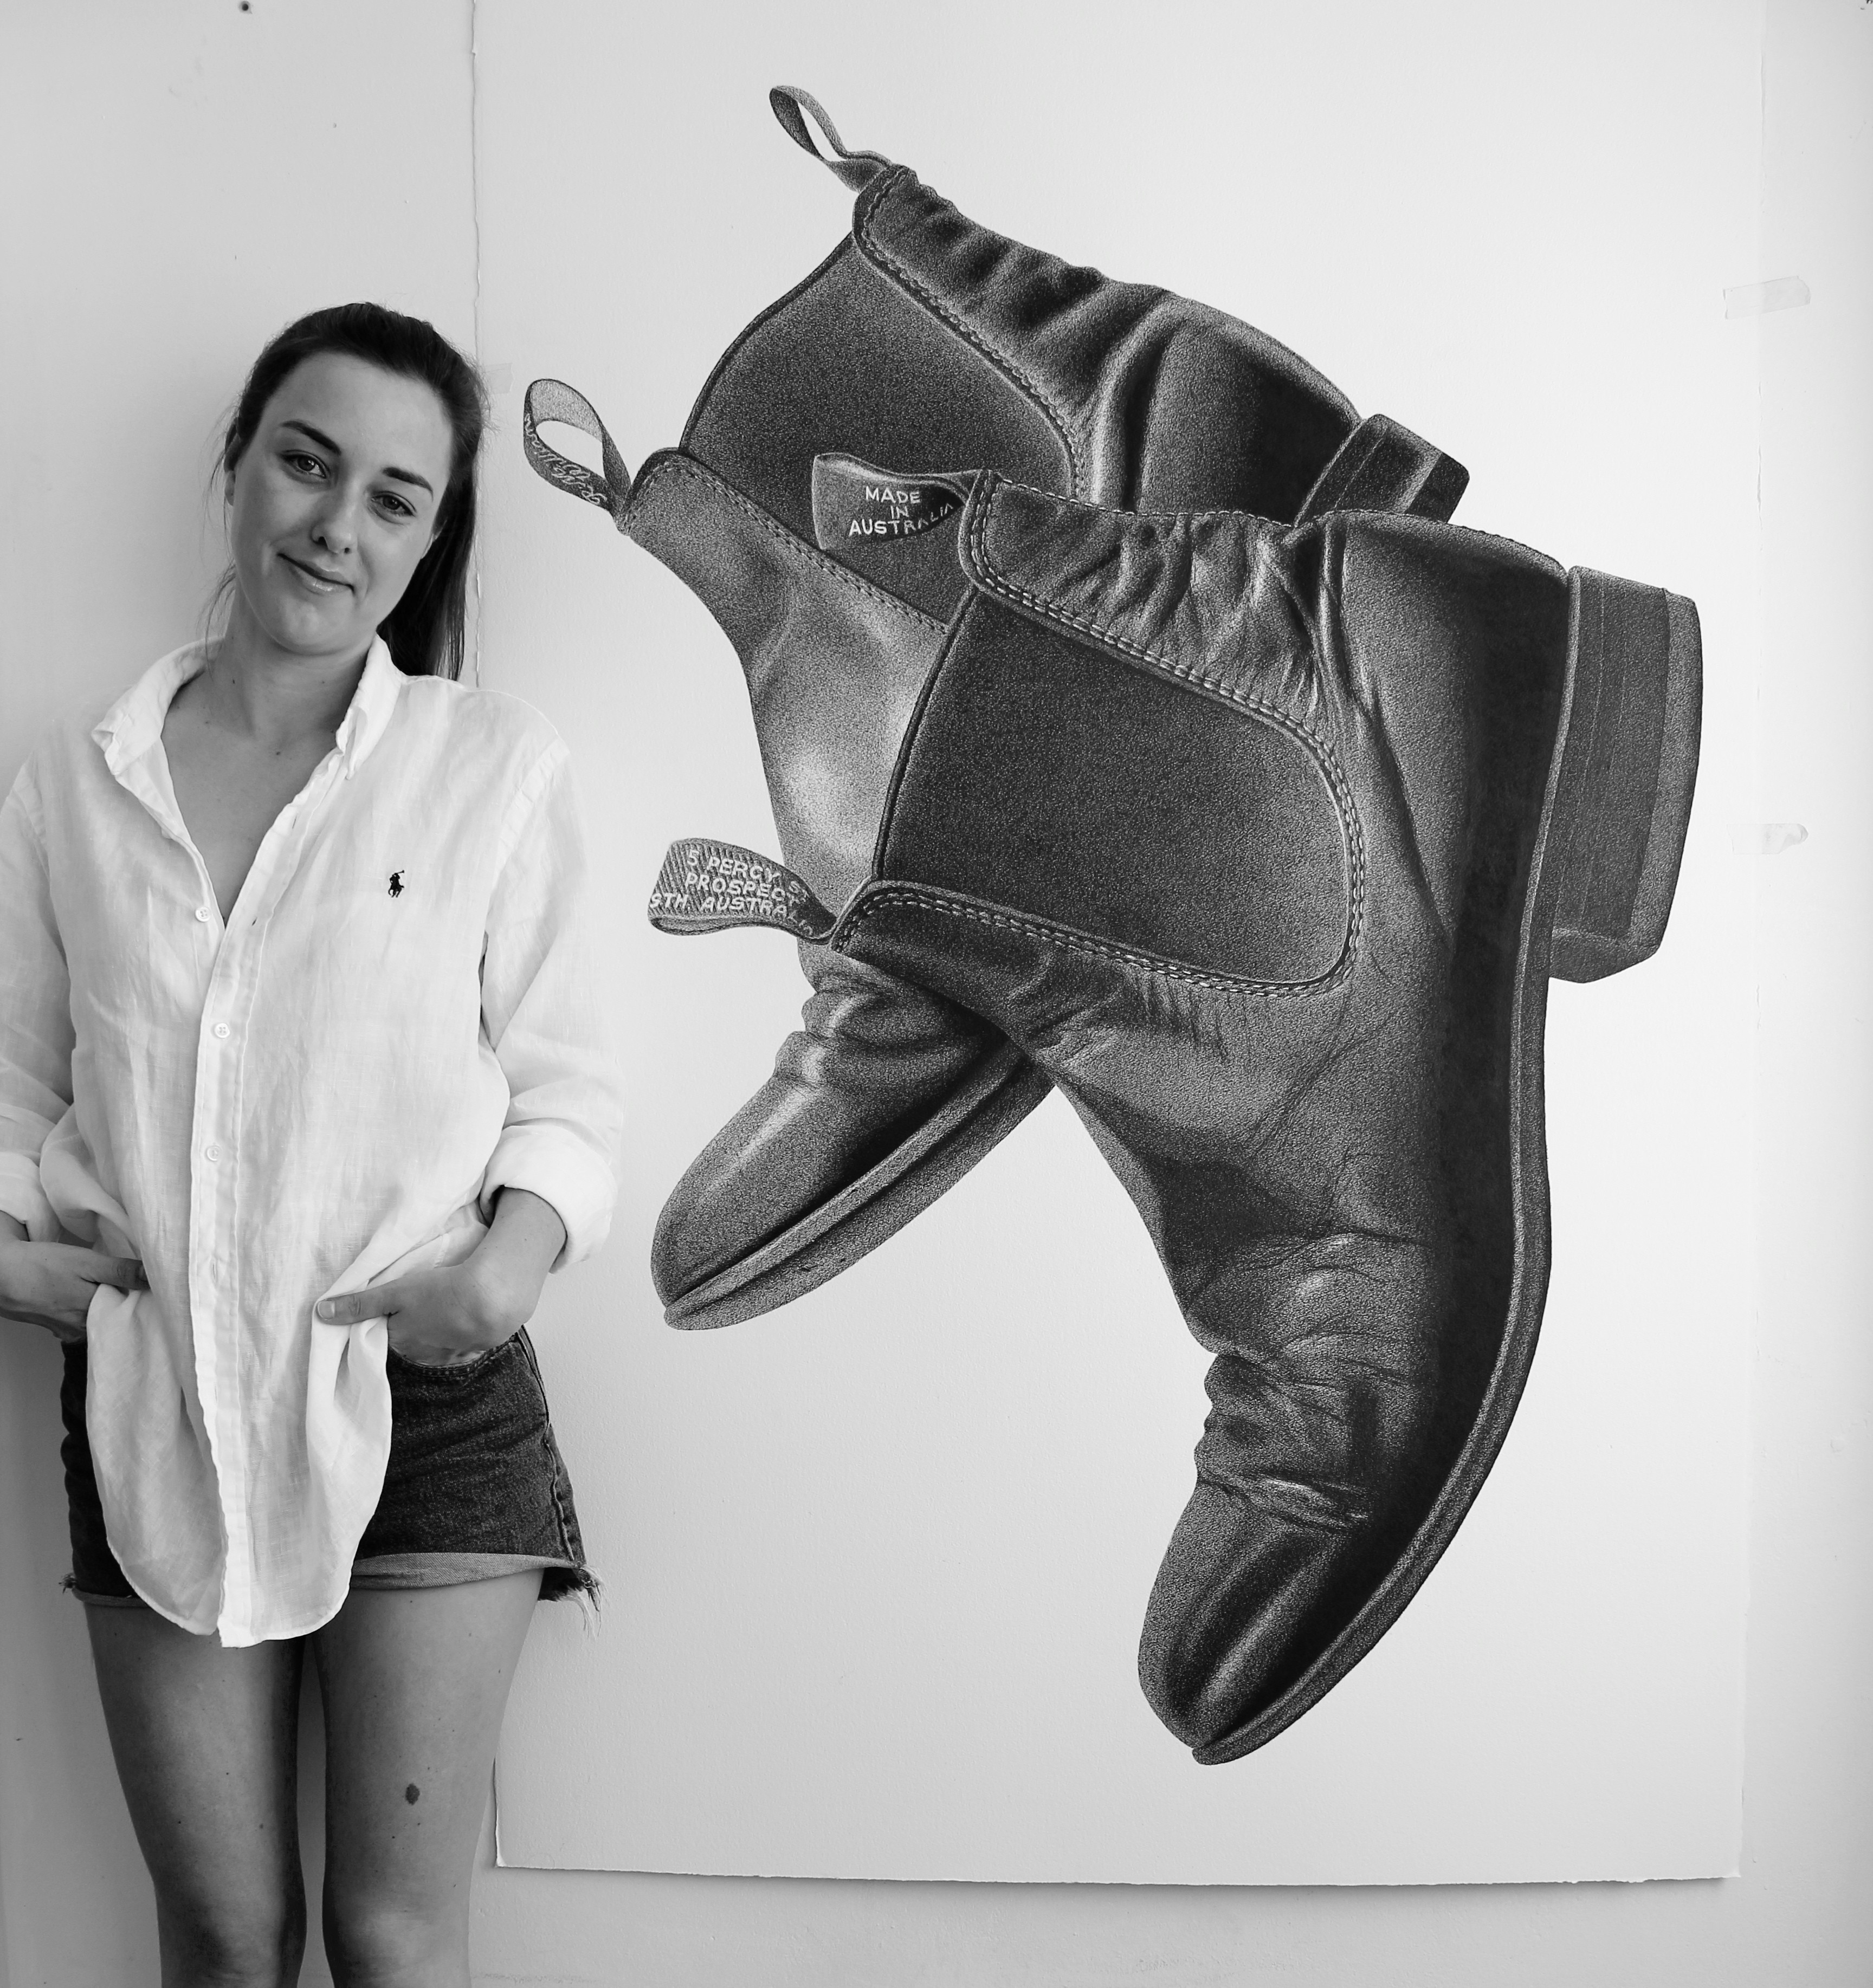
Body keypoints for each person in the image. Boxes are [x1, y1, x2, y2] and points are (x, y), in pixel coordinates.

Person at [0, 302, 625, 1987]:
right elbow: (13, 1083)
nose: (338, 525)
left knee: (390, 1938)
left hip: (427, 1402)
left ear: (430, 540)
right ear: (239, 465)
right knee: (223, 1938)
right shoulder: (73, 782)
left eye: (394, 498)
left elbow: (569, 1092)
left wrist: (499, 1278)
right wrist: (16, 1265)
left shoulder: (489, 767)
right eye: (307, 462)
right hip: (156, 1401)